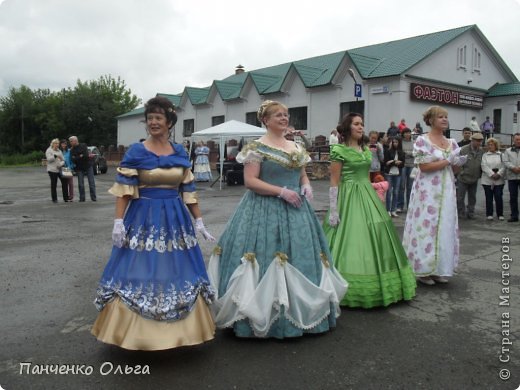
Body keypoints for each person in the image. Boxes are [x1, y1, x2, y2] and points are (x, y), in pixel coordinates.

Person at [207, 100, 347, 338]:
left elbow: (303, 174)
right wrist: (281, 191)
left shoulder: (295, 146)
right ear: (265, 121)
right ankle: (262, 317)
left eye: (286, 115)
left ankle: (300, 313)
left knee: (300, 257)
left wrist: (306, 186)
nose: (284, 118)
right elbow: (251, 181)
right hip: (264, 208)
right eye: (278, 115)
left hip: (297, 210)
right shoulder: (256, 147)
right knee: (263, 256)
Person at [92, 96, 216, 350]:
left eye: (158, 118)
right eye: (150, 119)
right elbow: (124, 191)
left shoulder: (180, 152)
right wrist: (118, 222)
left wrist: (199, 220)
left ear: (170, 122)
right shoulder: (137, 151)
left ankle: (182, 331)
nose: (153, 123)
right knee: (142, 266)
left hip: (175, 217)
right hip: (143, 216)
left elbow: (188, 189)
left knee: (175, 266)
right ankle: (136, 331)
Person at [323, 112, 416, 308]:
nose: (361, 127)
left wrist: (376, 192)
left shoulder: (366, 150)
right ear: (348, 127)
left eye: (362, 124)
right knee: (349, 235)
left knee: (376, 232)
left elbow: (366, 176)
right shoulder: (338, 150)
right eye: (356, 124)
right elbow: (334, 180)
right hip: (347, 195)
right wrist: (333, 208)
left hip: (367, 194)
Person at [402, 106, 467, 286]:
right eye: (440, 117)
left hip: (446, 190)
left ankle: (439, 268)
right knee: (426, 227)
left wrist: (458, 163)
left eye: (446, 117)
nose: (445, 120)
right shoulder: (422, 141)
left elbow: (455, 169)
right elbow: (424, 167)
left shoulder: (452, 143)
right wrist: (448, 160)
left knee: (445, 226)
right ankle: (423, 269)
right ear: (431, 120)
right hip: (427, 192)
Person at [456, 132, 484, 219]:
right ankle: (461, 213)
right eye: (477, 141)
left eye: (480, 141)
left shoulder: (481, 151)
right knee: (460, 197)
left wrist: (479, 174)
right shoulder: (463, 149)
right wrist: (461, 172)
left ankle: (471, 213)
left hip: (474, 178)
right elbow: (457, 162)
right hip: (463, 178)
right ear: (472, 141)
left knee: (472, 197)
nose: (479, 143)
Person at [481, 138, 505, 221]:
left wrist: (498, 174)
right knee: (489, 197)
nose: (490, 146)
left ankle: (500, 214)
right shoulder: (485, 155)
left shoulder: (501, 155)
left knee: (498, 196)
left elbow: (504, 166)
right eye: (489, 145)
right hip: (487, 180)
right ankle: (489, 214)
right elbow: (483, 166)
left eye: (492, 145)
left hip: (499, 180)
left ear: (496, 145)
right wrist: (491, 174)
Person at [69, 136, 97, 202]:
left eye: (71, 141)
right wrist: (80, 155)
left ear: (75, 141)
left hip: (88, 166)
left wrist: (77, 156)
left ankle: (93, 197)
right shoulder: (72, 150)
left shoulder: (83, 145)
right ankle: (82, 198)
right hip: (79, 168)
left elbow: (86, 155)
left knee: (91, 182)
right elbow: (73, 159)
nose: (70, 143)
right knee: (80, 184)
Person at [384, 137, 404, 217]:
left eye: (396, 142)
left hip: (398, 174)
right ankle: (388, 210)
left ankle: (393, 210)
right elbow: (386, 162)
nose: (395, 143)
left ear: (399, 143)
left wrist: (394, 162)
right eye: (393, 142)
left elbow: (402, 164)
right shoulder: (388, 151)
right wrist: (395, 162)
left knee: (396, 192)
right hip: (389, 173)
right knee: (389, 192)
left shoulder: (401, 152)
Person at [503, 133, 520, 222]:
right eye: (517, 139)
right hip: (512, 177)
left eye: (519, 139)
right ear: (513, 140)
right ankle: (514, 215)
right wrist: (513, 168)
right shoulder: (508, 151)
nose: (518, 141)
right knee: (513, 197)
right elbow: (505, 161)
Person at [45, 138, 68, 203]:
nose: (57, 145)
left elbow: (63, 160)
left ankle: (66, 198)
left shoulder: (59, 151)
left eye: (58, 143)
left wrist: (60, 164)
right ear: (52, 144)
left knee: (65, 182)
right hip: (52, 170)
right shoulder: (49, 150)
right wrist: (55, 156)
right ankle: (54, 199)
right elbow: (49, 160)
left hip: (60, 169)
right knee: (54, 184)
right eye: (56, 143)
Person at [397, 128, 414, 212]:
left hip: (411, 165)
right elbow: (400, 153)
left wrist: (408, 153)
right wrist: (409, 153)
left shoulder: (413, 142)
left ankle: (409, 206)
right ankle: (400, 205)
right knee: (402, 186)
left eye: (409, 133)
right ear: (403, 134)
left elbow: (416, 153)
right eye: (406, 133)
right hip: (403, 165)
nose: (408, 134)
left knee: (410, 186)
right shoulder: (400, 142)